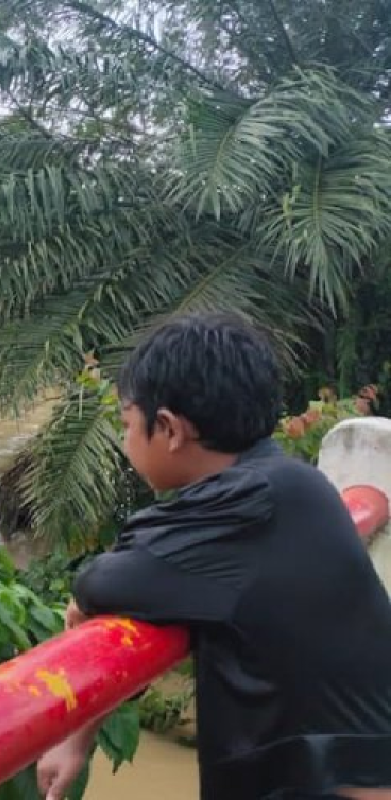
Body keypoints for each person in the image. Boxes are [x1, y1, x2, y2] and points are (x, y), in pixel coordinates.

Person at [35, 313, 391, 800]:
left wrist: (70, 736)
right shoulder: (296, 486)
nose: (125, 442)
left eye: (126, 424)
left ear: (168, 428)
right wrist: (78, 738)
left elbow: (94, 589)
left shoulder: (234, 512)